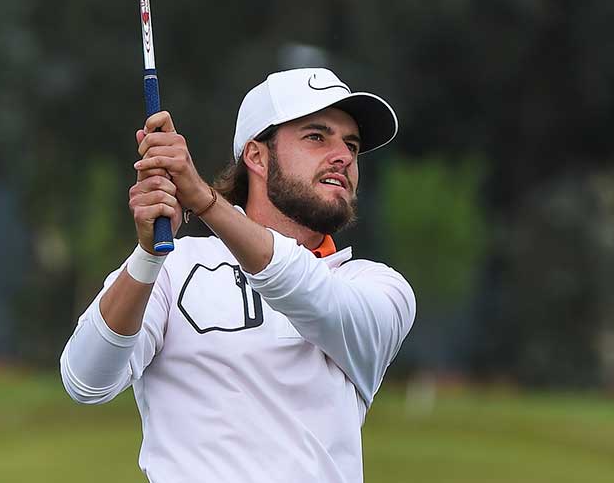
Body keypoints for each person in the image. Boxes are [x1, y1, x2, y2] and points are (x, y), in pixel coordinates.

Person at [60, 68, 416, 483]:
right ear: (256, 156)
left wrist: (206, 203)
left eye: (351, 145)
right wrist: (146, 255)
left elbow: (302, 286)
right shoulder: (174, 264)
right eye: (317, 136)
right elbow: (86, 381)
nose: (343, 155)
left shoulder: (377, 287)